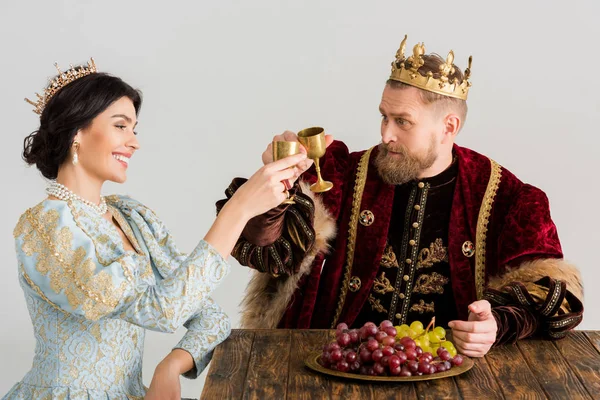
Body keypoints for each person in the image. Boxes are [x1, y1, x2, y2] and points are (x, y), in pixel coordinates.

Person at [217, 36, 584, 358]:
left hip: (452, 370)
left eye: (402, 121)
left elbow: (554, 296)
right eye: (383, 117)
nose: (386, 134)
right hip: (338, 359)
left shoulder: (505, 195)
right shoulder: (340, 173)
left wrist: (497, 324)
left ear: (448, 127)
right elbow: (267, 251)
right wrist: (277, 186)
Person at [4, 59, 306, 400]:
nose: (134, 142)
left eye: (135, 129)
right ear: (76, 132)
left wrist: (171, 366)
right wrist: (238, 211)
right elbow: (162, 312)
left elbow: (210, 317)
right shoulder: (44, 227)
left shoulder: (131, 218)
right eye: (121, 126)